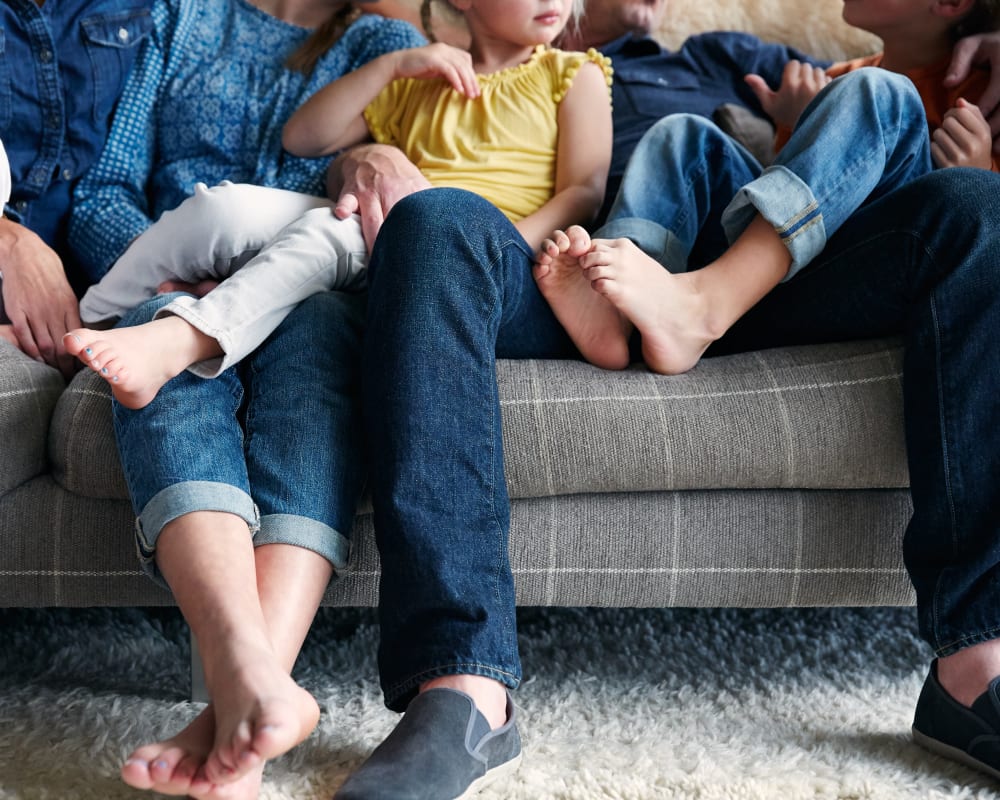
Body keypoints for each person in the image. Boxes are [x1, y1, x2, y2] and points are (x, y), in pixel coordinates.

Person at [61, 1, 426, 798]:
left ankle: (247, 704)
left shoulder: (385, 44)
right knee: (159, 344)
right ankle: (247, 688)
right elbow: (103, 192)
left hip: (312, 291)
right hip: (169, 267)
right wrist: (177, 278)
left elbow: (381, 194)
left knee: (322, 339)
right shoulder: (178, 20)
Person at [63, 0, 613, 412]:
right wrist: (394, 66)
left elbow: (584, 190)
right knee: (222, 210)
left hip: (449, 249)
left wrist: (498, 243)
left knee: (326, 233)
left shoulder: (572, 73)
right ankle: (86, 322)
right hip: (385, 227)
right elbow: (302, 138)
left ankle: (186, 338)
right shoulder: (420, 78)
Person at [533, 0, 1000, 374]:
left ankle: (702, 305)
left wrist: (979, 173)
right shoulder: (834, 75)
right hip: (778, 271)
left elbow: (980, 232)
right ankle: (625, 315)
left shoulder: (981, 87)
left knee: (881, 93)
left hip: (885, 258)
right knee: (681, 135)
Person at [0, 0, 154, 377]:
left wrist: (153, 265)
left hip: (105, 295)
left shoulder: (151, 9)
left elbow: (137, 155)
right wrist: (9, 241)